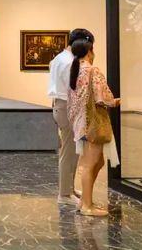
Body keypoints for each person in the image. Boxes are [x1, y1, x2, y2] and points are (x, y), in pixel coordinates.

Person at [67, 36, 121, 216]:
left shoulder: (75, 70)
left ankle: (84, 201)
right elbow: (101, 97)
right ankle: (87, 207)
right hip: (92, 122)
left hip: (80, 123)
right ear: (89, 51)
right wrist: (114, 102)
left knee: (97, 162)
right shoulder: (92, 70)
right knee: (90, 164)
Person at [48, 29, 93, 205]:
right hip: (66, 106)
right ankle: (64, 194)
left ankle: (69, 189)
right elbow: (74, 88)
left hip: (61, 105)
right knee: (68, 152)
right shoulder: (69, 62)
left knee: (72, 151)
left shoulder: (59, 58)